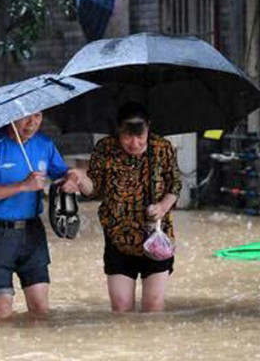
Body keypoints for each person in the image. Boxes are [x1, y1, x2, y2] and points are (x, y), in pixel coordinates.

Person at [61, 102, 181, 313]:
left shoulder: (162, 148)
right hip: (118, 238)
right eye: (127, 136)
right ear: (118, 130)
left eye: (140, 136)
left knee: (153, 307)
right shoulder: (105, 149)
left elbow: (175, 186)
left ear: (148, 127)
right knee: (121, 308)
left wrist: (163, 206)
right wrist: (78, 179)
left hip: (156, 240)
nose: (134, 143)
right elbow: (94, 189)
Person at [0, 111, 68, 321]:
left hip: (32, 232)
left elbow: (61, 176)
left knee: (41, 310)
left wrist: (73, 179)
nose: (32, 123)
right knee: (3, 313)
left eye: (39, 116)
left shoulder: (44, 144)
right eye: (26, 117)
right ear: (11, 117)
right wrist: (23, 186)